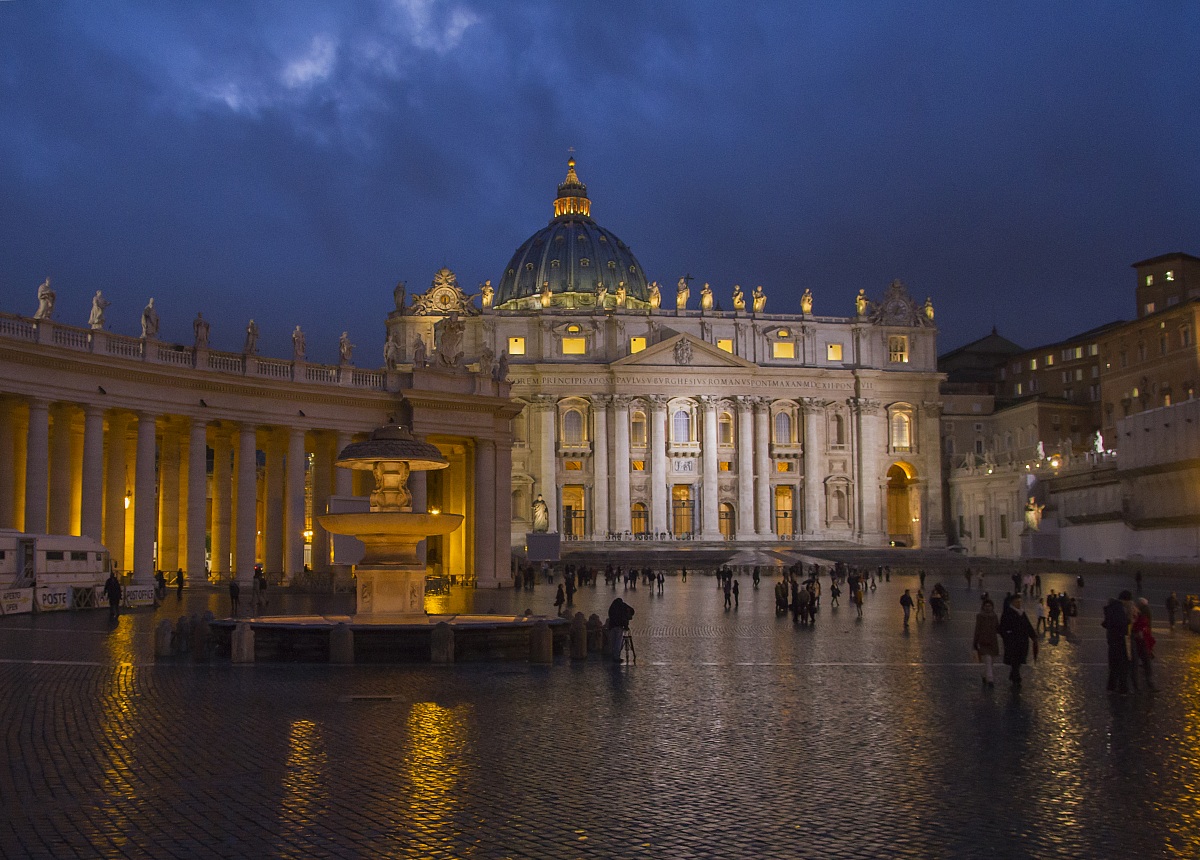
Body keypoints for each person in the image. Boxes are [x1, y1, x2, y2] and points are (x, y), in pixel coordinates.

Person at [997, 594, 1038, 688]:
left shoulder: (1022, 613)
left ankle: (1013, 674)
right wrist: (1008, 636)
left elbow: (1027, 625)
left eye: (1020, 602)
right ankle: (1016, 678)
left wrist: (1033, 636)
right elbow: (1002, 628)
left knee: (1019, 660)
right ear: (1012, 603)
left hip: (1023, 641)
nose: (1019, 603)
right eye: (1017, 602)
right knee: (1015, 659)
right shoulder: (1008, 613)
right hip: (1012, 643)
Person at [1102, 592, 1132, 694]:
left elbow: (1106, 623)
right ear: (1126, 600)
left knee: (1114, 665)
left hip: (1112, 641)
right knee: (1122, 665)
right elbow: (1121, 624)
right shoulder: (1119, 609)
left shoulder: (1111, 608)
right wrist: (1128, 621)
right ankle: (1123, 688)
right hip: (1119, 641)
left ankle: (1111, 686)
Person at [973, 599, 1000, 688]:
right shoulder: (980, 616)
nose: (988, 608)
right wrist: (975, 642)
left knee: (991, 661)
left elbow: (997, 628)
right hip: (984, 641)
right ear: (983, 607)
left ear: (992, 607)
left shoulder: (995, 616)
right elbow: (977, 629)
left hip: (993, 641)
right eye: (986, 606)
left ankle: (984, 675)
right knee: (988, 660)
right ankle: (990, 679)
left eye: (989, 606)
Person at [1131, 597, 1156, 691]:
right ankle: (1143, 686)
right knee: (1143, 663)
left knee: (1143, 663)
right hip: (1139, 641)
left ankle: (1141, 686)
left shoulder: (1140, 615)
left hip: (1140, 641)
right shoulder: (1140, 616)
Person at [606, 597, 634, 661]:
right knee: (618, 642)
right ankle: (616, 657)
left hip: (612, 626)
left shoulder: (613, 606)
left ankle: (613, 655)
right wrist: (626, 626)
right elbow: (624, 617)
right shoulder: (624, 607)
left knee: (613, 642)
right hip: (619, 626)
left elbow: (610, 615)